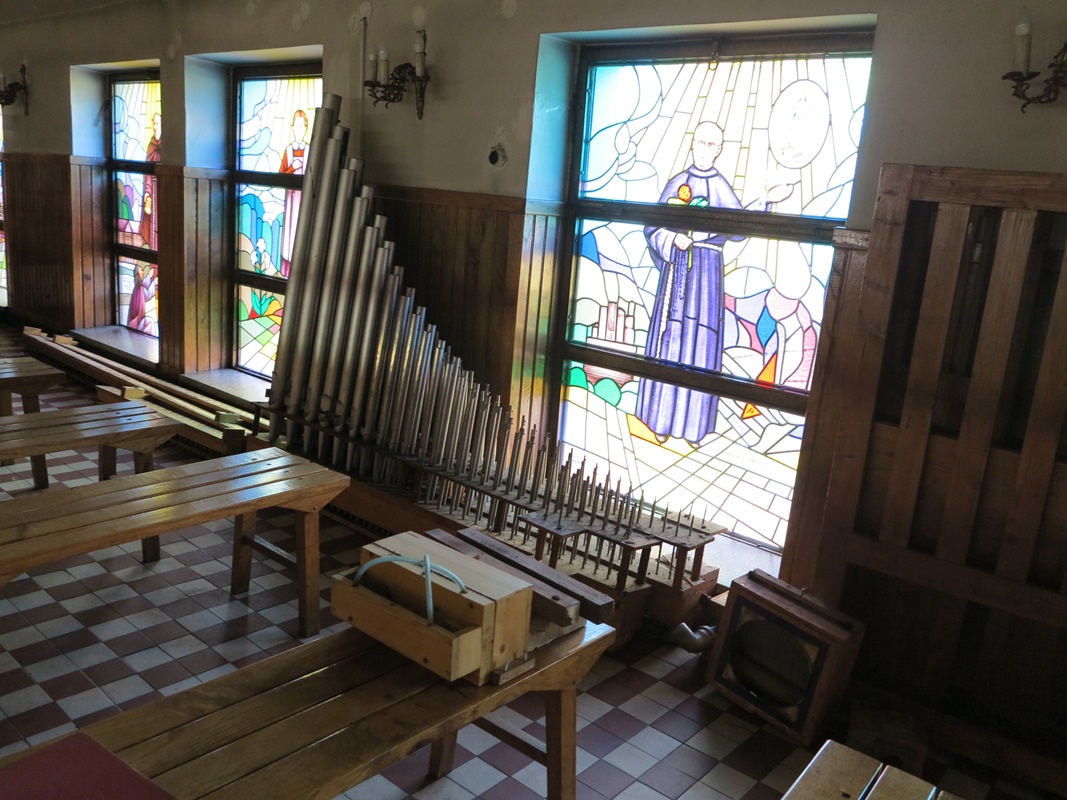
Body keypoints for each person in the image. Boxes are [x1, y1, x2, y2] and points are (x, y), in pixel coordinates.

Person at [636, 121, 791, 446]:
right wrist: (672, 239)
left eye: (711, 145)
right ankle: (661, 421)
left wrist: (765, 200)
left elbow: (737, 227)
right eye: (700, 142)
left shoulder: (720, 186)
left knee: (701, 344)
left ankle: (694, 427)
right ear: (692, 143)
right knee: (672, 339)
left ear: (719, 150)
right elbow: (652, 227)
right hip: (678, 273)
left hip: (706, 275)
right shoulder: (677, 183)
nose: (704, 149)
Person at [279, 110, 309, 278]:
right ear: (292, 128)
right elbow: (280, 176)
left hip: (305, 200)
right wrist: (292, 168)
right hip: (291, 199)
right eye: (296, 126)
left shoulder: (310, 150)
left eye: (302, 126)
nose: (299, 129)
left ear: (306, 129)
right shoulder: (288, 150)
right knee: (291, 232)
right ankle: (289, 270)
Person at [139, 112, 161, 251]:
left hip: (163, 191)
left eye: (158, 124)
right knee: (152, 222)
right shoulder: (150, 146)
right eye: (154, 123)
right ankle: (153, 254)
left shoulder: (168, 146)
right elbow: (147, 172)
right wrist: (147, 192)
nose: (155, 127)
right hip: (153, 190)